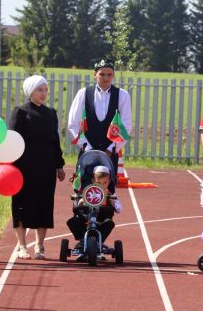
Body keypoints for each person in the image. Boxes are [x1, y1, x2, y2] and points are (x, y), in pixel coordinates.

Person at [10, 75, 66, 260]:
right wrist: (11, 166)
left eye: (45, 90)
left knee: (44, 204)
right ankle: (22, 245)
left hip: (46, 166)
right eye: (39, 90)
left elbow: (55, 140)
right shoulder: (20, 112)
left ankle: (40, 246)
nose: (43, 93)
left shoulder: (51, 113)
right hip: (23, 166)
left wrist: (59, 165)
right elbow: (12, 140)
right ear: (30, 91)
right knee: (21, 204)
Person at [68, 59, 132, 193]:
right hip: (87, 153)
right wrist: (87, 147)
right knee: (83, 191)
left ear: (113, 75)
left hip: (110, 154)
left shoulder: (122, 95)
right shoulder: (83, 93)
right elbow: (73, 123)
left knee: (107, 195)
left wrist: (111, 148)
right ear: (94, 74)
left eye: (109, 74)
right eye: (102, 74)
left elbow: (126, 126)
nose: (106, 78)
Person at [66, 165, 123, 260]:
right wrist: (80, 202)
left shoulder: (110, 195)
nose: (102, 185)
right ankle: (82, 242)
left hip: (101, 220)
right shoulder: (87, 192)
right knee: (72, 222)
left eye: (105, 183)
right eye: (98, 183)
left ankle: (97, 244)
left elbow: (119, 210)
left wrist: (114, 204)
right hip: (85, 219)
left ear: (109, 182)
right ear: (93, 181)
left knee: (109, 223)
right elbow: (77, 205)